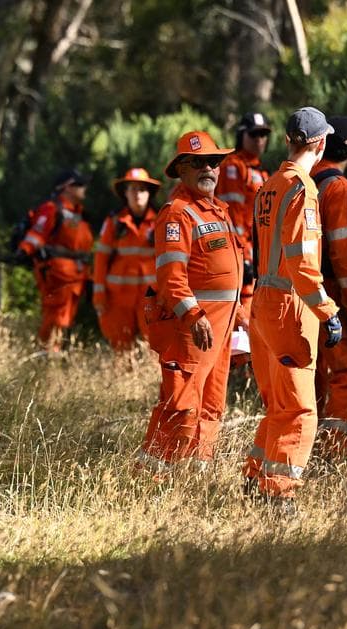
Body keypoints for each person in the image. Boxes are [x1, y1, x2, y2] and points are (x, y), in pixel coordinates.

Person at [242, 107, 343, 512]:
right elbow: (302, 262)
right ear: (319, 144)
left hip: (262, 304)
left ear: (288, 140)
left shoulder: (269, 186)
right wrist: (328, 310)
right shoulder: (303, 189)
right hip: (289, 307)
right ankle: (277, 497)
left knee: (278, 406)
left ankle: (255, 481)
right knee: (301, 410)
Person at [137, 131, 243, 470]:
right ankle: (155, 475)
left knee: (211, 402)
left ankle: (197, 471)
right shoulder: (177, 213)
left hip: (220, 330)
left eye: (212, 162)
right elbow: (171, 278)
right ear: (181, 169)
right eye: (197, 163)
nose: (208, 169)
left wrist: (238, 313)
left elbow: (225, 274)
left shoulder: (217, 210)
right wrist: (194, 315)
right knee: (180, 404)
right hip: (191, 330)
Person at [310, 115, 347, 454]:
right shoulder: (339, 188)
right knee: (346, 374)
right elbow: (345, 253)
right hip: (332, 293)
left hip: (302, 293)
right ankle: (334, 449)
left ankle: (309, 444)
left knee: (314, 372)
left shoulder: (303, 182)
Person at [17, 168, 95, 352]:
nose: (84, 188)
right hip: (56, 275)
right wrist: (23, 251)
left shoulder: (78, 213)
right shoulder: (51, 209)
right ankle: (46, 356)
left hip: (75, 277)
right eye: (79, 184)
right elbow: (36, 235)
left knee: (64, 320)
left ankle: (54, 354)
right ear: (66, 188)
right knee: (54, 318)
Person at [93, 167, 162, 351]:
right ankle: (124, 381)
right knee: (121, 348)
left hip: (151, 298)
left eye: (142, 189)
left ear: (149, 194)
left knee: (154, 349)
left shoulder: (161, 222)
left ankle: (149, 381)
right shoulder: (114, 222)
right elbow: (101, 259)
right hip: (119, 298)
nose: (137, 194)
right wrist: (99, 295)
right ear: (125, 193)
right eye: (133, 189)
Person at [217, 111, 272, 311]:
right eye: (254, 134)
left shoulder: (262, 172)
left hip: (259, 255)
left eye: (263, 135)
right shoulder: (233, 166)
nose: (260, 140)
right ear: (242, 135)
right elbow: (232, 216)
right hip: (241, 253)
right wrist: (244, 257)